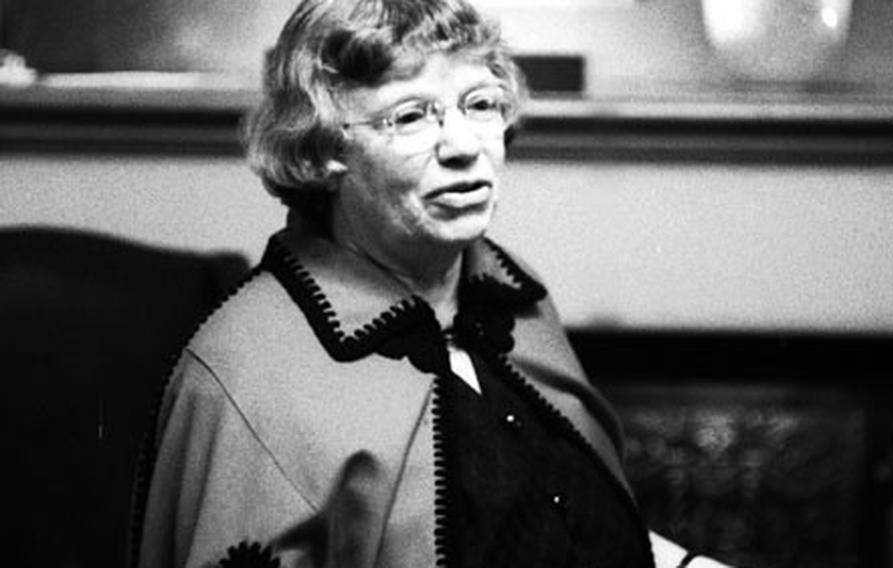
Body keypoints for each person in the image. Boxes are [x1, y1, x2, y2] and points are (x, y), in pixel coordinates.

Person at [131, 1, 732, 567]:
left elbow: (568, 525)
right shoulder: (240, 372)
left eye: (480, 104)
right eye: (412, 116)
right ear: (322, 149)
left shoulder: (514, 300)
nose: (465, 147)